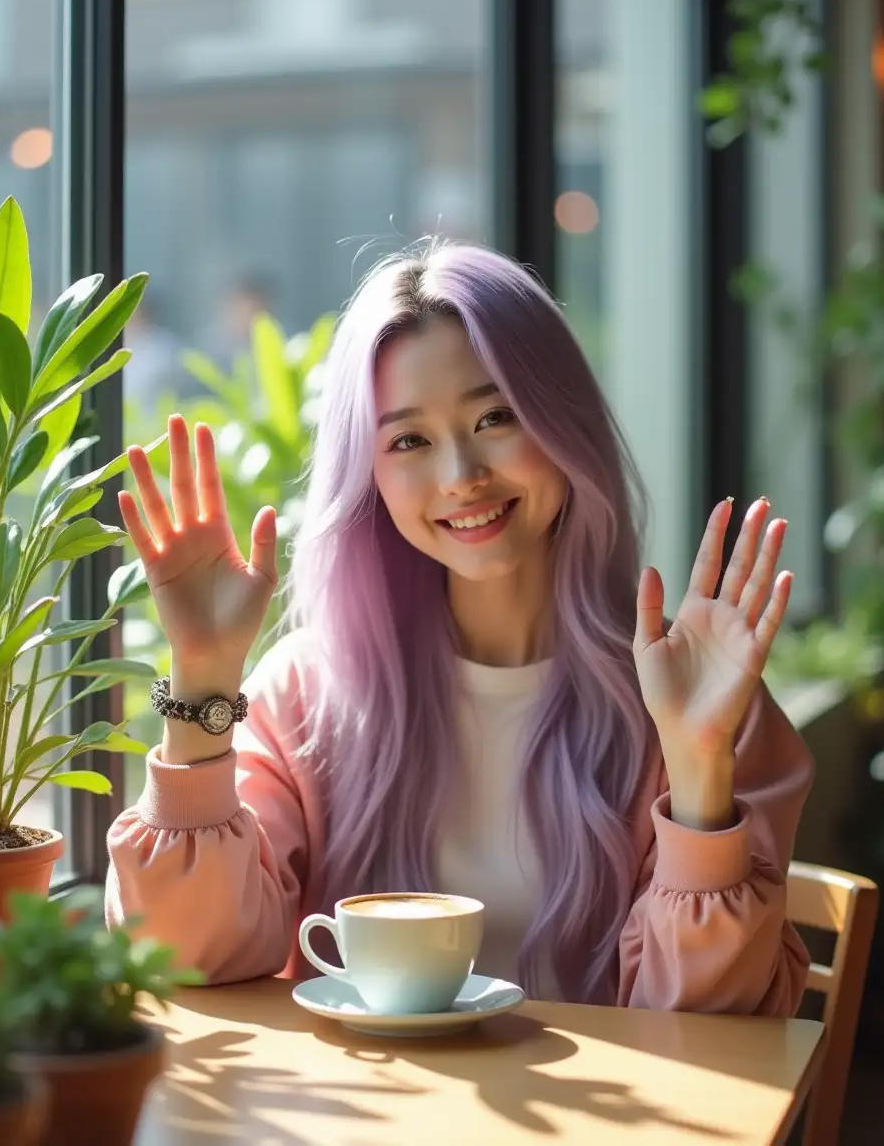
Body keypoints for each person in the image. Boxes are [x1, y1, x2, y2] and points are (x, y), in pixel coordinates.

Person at [105, 242, 813, 1012]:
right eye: (409, 439)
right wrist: (204, 676)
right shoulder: (307, 695)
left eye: (496, 416)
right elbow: (188, 959)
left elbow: (709, 1029)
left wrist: (700, 771)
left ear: (562, 422)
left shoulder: (692, 696)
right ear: (367, 475)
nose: (460, 477)